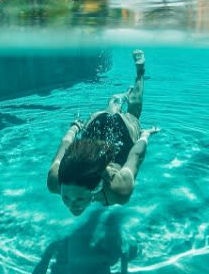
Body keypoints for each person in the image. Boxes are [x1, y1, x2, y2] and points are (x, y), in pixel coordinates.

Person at [47, 50, 160, 215]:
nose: (72, 205)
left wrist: (144, 135)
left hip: (121, 133)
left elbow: (135, 155)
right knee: (109, 113)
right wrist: (74, 127)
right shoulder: (55, 182)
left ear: (96, 187)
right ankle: (116, 101)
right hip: (96, 131)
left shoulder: (119, 189)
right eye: (65, 198)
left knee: (134, 113)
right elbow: (65, 146)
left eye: (79, 199)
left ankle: (140, 74)